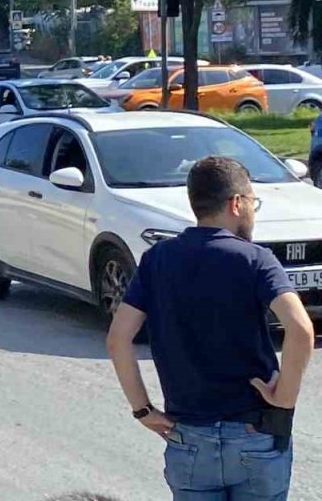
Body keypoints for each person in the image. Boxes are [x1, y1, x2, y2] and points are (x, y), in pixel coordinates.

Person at [107, 155, 314, 501]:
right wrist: (284, 399)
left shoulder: (157, 259)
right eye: (252, 202)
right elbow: (301, 330)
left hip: (188, 437)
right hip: (255, 433)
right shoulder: (255, 259)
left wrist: (143, 410)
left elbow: (117, 339)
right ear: (236, 203)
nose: (253, 211)